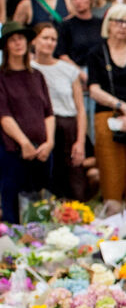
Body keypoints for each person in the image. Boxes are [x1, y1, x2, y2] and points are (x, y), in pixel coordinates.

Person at [87, 3, 126, 206]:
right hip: (108, 115)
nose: (123, 26)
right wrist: (122, 106)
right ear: (109, 24)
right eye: (119, 21)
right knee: (111, 172)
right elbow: (94, 90)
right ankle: (112, 219)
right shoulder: (97, 52)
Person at [0, 22, 55, 221]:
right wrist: (23, 143)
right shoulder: (2, 77)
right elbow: (3, 115)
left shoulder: (37, 75)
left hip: (42, 149)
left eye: (21, 38)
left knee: (42, 202)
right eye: (12, 40)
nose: (18, 43)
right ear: (6, 45)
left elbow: (48, 112)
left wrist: (49, 142)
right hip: (13, 149)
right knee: (13, 200)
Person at [31, 22, 90, 200]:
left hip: (67, 126)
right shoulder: (28, 69)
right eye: (45, 38)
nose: (49, 43)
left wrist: (80, 142)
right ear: (34, 40)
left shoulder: (68, 70)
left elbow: (80, 109)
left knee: (72, 179)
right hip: (40, 128)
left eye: (53, 39)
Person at [55, 0, 102, 68]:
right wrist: (79, 73)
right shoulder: (65, 26)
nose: (78, 1)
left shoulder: (100, 23)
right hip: (75, 70)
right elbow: (62, 54)